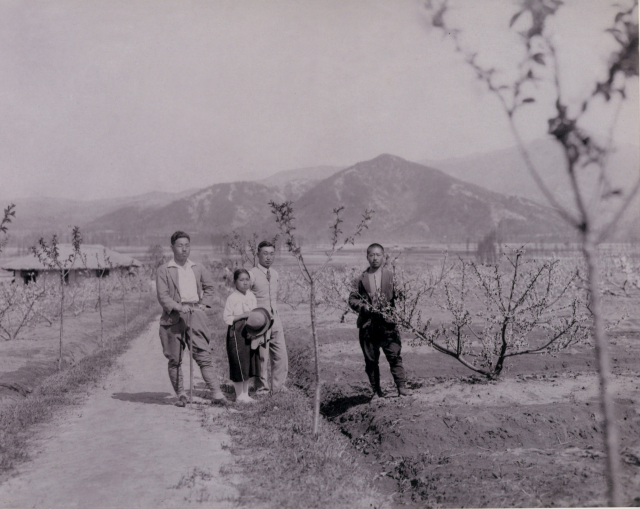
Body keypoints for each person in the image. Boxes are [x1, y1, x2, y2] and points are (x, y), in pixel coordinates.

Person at [156, 231, 226, 407]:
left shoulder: (198, 268)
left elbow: (210, 288)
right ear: (172, 247)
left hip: (195, 315)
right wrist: (179, 307)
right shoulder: (164, 270)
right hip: (173, 318)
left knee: (203, 355)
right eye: (180, 245)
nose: (184, 249)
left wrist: (204, 305)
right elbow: (163, 296)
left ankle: (217, 394)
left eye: (187, 245)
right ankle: (181, 395)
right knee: (175, 358)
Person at [348, 243, 409, 398]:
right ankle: (376, 391)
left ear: (383, 256)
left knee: (394, 355)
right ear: (367, 257)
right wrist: (365, 308)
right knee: (371, 360)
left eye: (378, 255)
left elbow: (401, 296)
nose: (375, 258)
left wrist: (402, 293)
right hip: (368, 326)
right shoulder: (360, 279)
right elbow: (352, 300)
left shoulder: (391, 276)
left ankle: (401, 387)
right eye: (371, 255)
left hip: (388, 325)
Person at [249, 240, 288, 394]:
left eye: (271, 254)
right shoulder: (251, 275)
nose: (268, 257)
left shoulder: (275, 274)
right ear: (257, 254)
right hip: (259, 320)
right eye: (265, 253)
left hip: (275, 318)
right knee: (261, 356)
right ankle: (261, 389)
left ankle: (278, 387)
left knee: (281, 354)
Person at [222, 269, 260, 403]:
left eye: (247, 279)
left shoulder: (251, 296)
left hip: (250, 329)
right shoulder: (232, 298)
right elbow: (227, 318)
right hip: (236, 330)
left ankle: (246, 394)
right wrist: (243, 316)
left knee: (248, 361)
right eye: (241, 280)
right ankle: (239, 396)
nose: (245, 283)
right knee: (238, 360)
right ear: (235, 282)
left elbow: (256, 313)